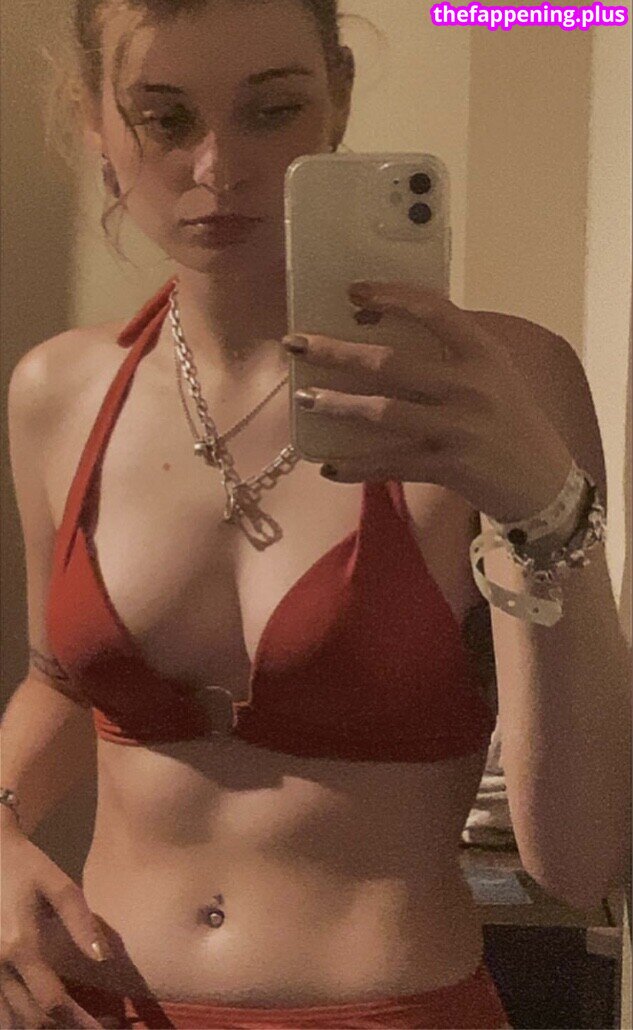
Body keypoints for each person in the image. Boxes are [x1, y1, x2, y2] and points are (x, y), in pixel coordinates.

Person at [1, 1, 630, 1027]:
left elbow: (577, 859)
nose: (217, 167)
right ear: (96, 125)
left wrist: (546, 512)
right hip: (92, 1005)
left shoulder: (500, 385)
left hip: (388, 1009)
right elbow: (58, 681)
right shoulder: (57, 393)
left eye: (271, 109)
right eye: (165, 118)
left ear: (336, 97)